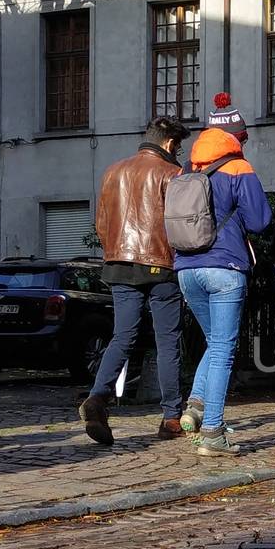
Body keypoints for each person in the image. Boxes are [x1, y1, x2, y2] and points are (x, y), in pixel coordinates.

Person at [80, 116, 189, 446]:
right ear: (169, 144)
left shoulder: (113, 171)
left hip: (119, 262)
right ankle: (171, 417)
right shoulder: (173, 174)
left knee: (122, 336)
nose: (179, 153)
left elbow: (102, 224)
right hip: (160, 264)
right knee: (167, 340)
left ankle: (98, 398)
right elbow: (181, 226)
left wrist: (116, 250)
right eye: (178, 147)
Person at [173, 126, 271, 456]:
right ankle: (213, 431)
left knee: (215, 343)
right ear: (237, 139)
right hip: (225, 269)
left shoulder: (186, 169)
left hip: (186, 268)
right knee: (223, 351)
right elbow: (259, 221)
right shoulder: (238, 168)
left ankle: (196, 405)